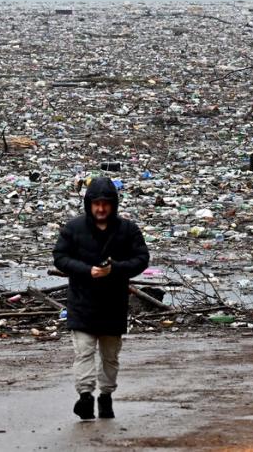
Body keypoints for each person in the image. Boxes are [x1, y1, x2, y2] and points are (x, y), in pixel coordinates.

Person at [53, 176, 150, 420]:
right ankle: (85, 397)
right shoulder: (73, 228)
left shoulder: (127, 230)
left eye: (105, 203)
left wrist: (114, 269)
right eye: (96, 203)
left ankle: (106, 397)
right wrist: (87, 270)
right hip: (82, 302)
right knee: (83, 353)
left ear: (113, 204)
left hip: (113, 304)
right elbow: (60, 257)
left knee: (110, 356)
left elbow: (141, 259)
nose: (101, 208)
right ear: (88, 204)